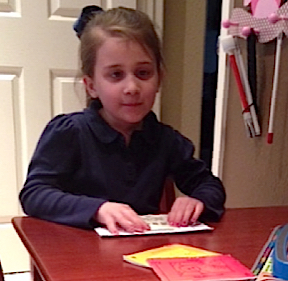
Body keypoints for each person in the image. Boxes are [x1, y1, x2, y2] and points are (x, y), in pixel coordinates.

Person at [19, 6, 225, 234]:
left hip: (141, 253)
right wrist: (97, 209)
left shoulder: (165, 139)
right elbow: (34, 194)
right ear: (91, 86)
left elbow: (209, 185)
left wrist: (198, 200)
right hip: (75, 255)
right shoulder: (70, 132)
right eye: (116, 75)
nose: (132, 88)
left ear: (159, 79)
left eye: (143, 73)